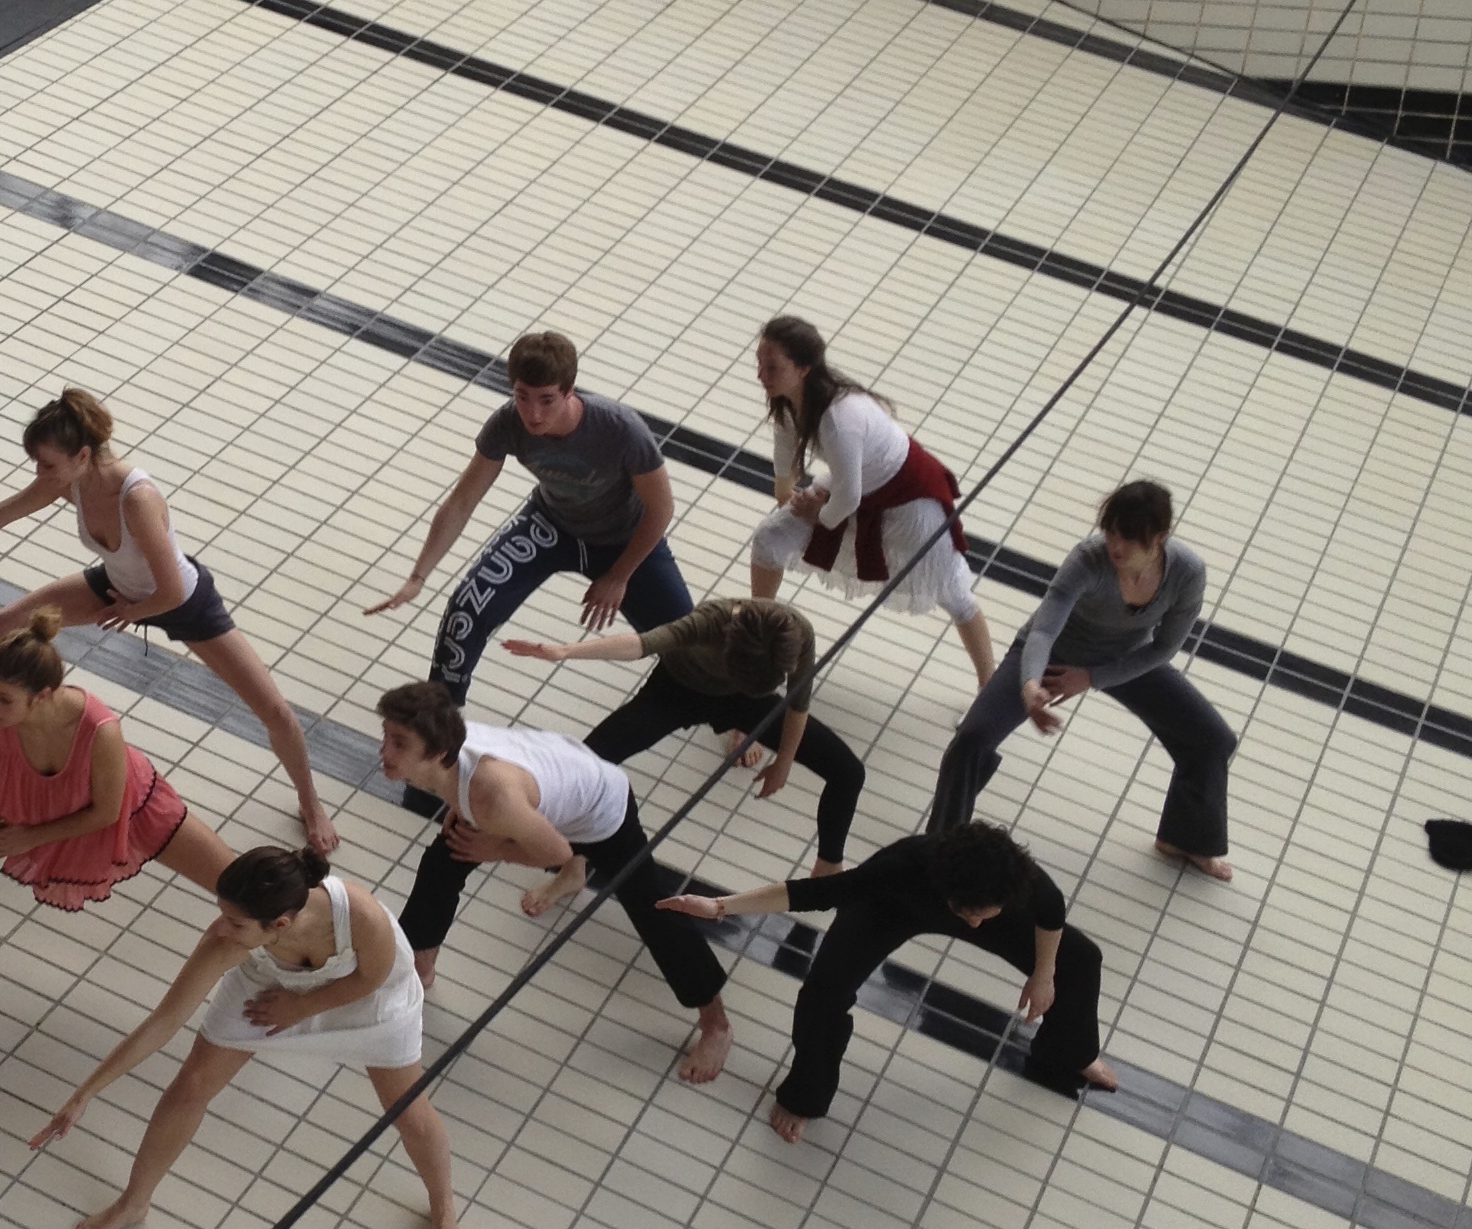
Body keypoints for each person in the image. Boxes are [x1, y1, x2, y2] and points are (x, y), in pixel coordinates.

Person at [0, 386, 337, 853]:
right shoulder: (69, 481)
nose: (40, 474)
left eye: (47, 464)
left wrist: (132, 611)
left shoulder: (135, 498)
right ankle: (24, 732)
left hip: (182, 602)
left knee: (274, 711)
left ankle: (310, 803)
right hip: (118, 587)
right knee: (6, 624)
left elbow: (171, 591)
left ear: (82, 455)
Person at [30, 843, 461, 1229]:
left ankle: (443, 1207)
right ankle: (133, 1202)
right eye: (223, 913)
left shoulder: (360, 917)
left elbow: (372, 978)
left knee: (409, 1112)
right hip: (268, 989)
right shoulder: (227, 944)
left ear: (280, 923)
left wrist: (302, 1007)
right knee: (192, 1085)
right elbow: (164, 1021)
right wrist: (86, 1093)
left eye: (235, 922)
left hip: (369, 1001)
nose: (221, 927)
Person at [0, 610, 233, 1017]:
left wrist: (26, 838)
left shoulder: (100, 730)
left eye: (4, 699)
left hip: (129, 808)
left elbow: (106, 812)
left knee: (235, 883)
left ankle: (285, 934)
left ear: (43, 697)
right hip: (30, 803)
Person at [661, 820, 1115, 1143]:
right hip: (893, 907)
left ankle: (1069, 1053)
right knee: (822, 996)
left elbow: (1051, 912)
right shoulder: (901, 866)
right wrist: (720, 907)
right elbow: (815, 893)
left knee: (1081, 958)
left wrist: (1043, 975)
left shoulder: (1016, 878)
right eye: (969, 915)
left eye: (985, 915)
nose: (976, 926)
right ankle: (805, 1096)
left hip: (975, 899)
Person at [376, 680, 734, 1083]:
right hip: (556, 779)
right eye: (386, 735)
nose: (384, 751)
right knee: (443, 862)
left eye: (399, 743)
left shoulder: (494, 798)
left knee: (654, 911)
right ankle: (419, 966)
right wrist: (469, 816)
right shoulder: (449, 751)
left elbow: (557, 851)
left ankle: (716, 1024)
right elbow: (475, 793)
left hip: (602, 809)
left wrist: (496, 848)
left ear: (438, 753)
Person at [929, 479, 1233, 878]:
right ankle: (940, 850)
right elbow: (1043, 631)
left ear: (1159, 538)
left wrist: (1091, 678)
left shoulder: (1187, 573)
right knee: (973, 737)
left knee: (1212, 739)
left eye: (1129, 538)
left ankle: (1185, 839)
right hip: (1053, 655)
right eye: (1110, 532)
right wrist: (1030, 685)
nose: (1115, 546)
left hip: (1126, 658)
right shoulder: (1089, 559)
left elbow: (1163, 649)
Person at [366, 330, 689, 704]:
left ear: (569, 392)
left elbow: (662, 508)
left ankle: (734, 713)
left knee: (693, 641)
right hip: (552, 524)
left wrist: (619, 576)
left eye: (546, 400)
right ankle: (441, 717)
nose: (533, 414)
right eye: (522, 397)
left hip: (625, 537)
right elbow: (461, 502)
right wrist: (418, 576)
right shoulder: (506, 423)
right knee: (465, 610)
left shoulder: (620, 429)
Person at [504, 594, 866, 872]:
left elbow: (798, 704)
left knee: (848, 771)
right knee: (583, 765)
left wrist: (784, 761)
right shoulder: (713, 619)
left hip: (743, 702)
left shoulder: (794, 635)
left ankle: (828, 866)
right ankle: (574, 865)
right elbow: (642, 644)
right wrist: (565, 651)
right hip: (676, 690)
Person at [745, 317, 996, 688]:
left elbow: (847, 497)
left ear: (803, 369)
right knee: (769, 539)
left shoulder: (838, 419)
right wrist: (787, 497)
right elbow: (786, 452)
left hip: (910, 504)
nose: (761, 375)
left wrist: (818, 515)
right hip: (854, 490)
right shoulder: (788, 399)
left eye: (773, 367)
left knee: (953, 591)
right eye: (759, 363)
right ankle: (759, 639)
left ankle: (988, 682)